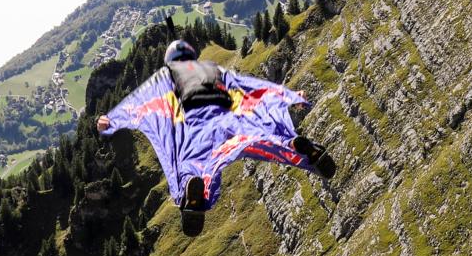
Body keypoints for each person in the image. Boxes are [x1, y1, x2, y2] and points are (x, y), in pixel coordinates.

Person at [97, 39, 335, 213]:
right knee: (266, 143)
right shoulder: (212, 69)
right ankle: (295, 145)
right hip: (233, 123)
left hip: (201, 133)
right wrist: (290, 96)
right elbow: (250, 87)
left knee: (197, 167)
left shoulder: (165, 79)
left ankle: (193, 195)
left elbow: (140, 103)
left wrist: (110, 121)